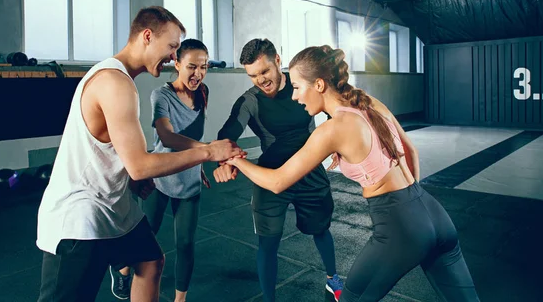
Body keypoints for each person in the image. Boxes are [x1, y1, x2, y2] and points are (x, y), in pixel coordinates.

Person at [219, 45, 480, 302]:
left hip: (399, 226)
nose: (295, 96)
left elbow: (277, 182)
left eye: (298, 87)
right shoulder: (368, 102)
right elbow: (410, 152)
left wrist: (236, 160)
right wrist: (413, 206)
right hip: (433, 212)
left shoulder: (332, 129)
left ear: (319, 85)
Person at [36, 6, 242, 302]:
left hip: (113, 207)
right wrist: (208, 152)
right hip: (79, 218)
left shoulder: (119, 78)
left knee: (151, 261)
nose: (174, 57)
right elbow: (141, 166)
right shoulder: (115, 83)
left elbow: (113, 149)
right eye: (172, 47)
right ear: (147, 36)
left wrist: (129, 179)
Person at [213, 39, 343, 301]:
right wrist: (223, 162)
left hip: (310, 171)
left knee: (320, 229)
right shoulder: (250, 101)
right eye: (252, 75)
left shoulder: (301, 84)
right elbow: (226, 135)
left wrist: (337, 140)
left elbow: (333, 103)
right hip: (271, 176)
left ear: (278, 62)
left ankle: (334, 280)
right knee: (268, 243)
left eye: (264, 71)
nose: (260, 80)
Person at [109, 39, 212, 302]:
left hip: (189, 182)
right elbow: (166, 137)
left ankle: (180, 299)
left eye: (204, 67)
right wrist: (207, 151)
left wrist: (197, 163)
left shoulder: (203, 92)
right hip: (160, 179)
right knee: (146, 235)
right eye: (191, 66)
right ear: (177, 64)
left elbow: (192, 135)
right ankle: (122, 269)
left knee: (186, 244)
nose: (198, 73)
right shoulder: (161, 96)